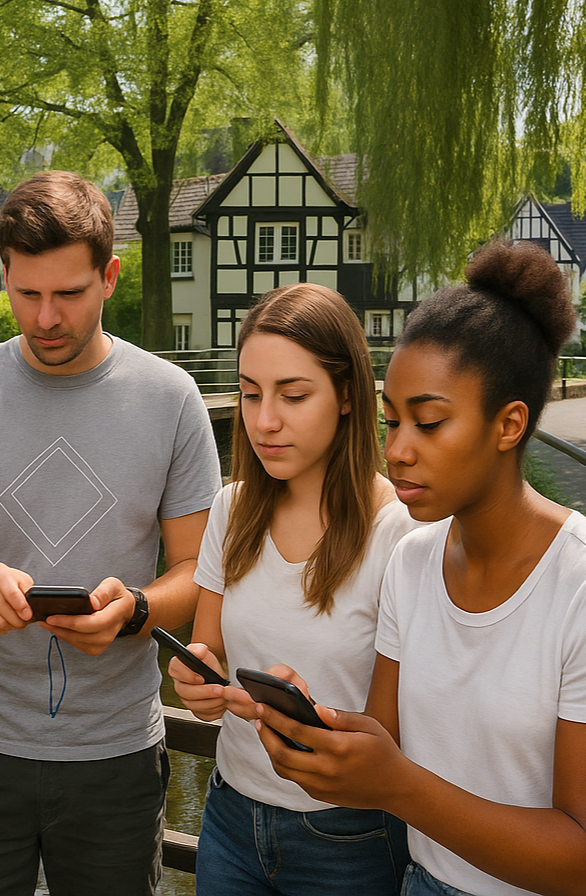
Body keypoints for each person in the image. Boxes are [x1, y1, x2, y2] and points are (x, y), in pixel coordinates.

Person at [254, 240, 586, 896]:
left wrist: (397, 786)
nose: (398, 450)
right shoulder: (411, 561)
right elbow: (388, 740)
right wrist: (316, 725)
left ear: (509, 424)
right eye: (391, 421)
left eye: (429, 424)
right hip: (424, 880)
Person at [0, 169, 222, 896]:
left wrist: (134, 612)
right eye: (25, 293)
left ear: (110, 276)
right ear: (2, 273)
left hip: (117, 759)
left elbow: (198, 572)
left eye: (68, 294)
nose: (44, 318)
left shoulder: (172, 399)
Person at [167, 282, 419, 895]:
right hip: (230, 816)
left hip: (348, 835)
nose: (265, 421)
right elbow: (210, 650)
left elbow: (401, 731)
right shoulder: (231, 508)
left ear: (349, 397)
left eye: (293, 395)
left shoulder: (403, 535)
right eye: (251, 395)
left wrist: (318, 719)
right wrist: (197, 680)